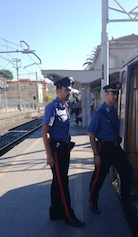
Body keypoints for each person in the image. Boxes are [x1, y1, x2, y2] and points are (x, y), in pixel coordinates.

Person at [88, 82, 138, 214]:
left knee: (127, 170)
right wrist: (96, 154)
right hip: (103, 148)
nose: (115, 97)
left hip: (115, 148)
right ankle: (93, 202)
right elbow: (91, 134)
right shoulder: (98, 113)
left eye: (116, 94)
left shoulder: (113, 112)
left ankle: (125, 196)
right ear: (106, 95)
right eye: (113, 94)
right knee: (98, 177)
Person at [42, 76, 85, 227]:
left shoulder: (64, 106)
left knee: (57, 182)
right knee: (62, 184)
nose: (69, 93)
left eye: (70, 90)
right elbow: (45, 132)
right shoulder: (52, 107)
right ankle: (69, 216)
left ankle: (55, 212)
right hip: (56, 151)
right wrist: (48, 155)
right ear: (58, 90)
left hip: (64, 150)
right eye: (66, 90)